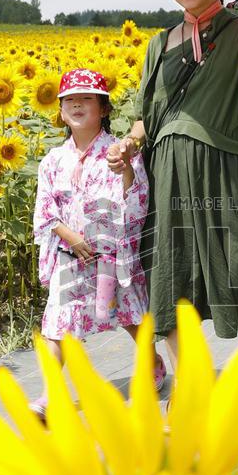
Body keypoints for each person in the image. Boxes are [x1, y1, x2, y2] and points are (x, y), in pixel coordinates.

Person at [107, 0, 238, 383]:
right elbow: (151, 116)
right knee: (168, 276)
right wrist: (129, 142)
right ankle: (192, 385)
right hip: (166, 176)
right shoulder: (158, 44)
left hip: (226, 173)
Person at [31, 68, 165, 417]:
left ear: (103, 109)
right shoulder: (53, 161)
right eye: (69, 100)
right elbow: (45, 211)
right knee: (57, 325)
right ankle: (50, 394)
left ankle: (153, 364)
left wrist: (126, 172)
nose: (76, 105)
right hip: (69, 253)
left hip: (111, 254)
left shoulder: (119, 152)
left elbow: (137, 202)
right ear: (60, 111)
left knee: (130, 315)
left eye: (86, 99)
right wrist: (69, 236)